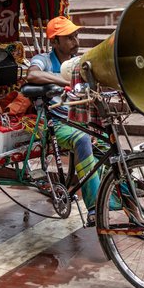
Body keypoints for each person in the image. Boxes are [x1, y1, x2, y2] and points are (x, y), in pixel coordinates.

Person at [26, 16, 101, 216]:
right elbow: (32, 75)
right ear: (54, 42)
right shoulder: (43, 60)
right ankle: (95, 208)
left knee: (108, 144)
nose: (75, 41)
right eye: (69, 37)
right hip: (52, 123)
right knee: (83, 139)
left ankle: (127, 205)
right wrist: (63, 80)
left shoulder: (78, 62)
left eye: (76, 35)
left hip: (77, 119)